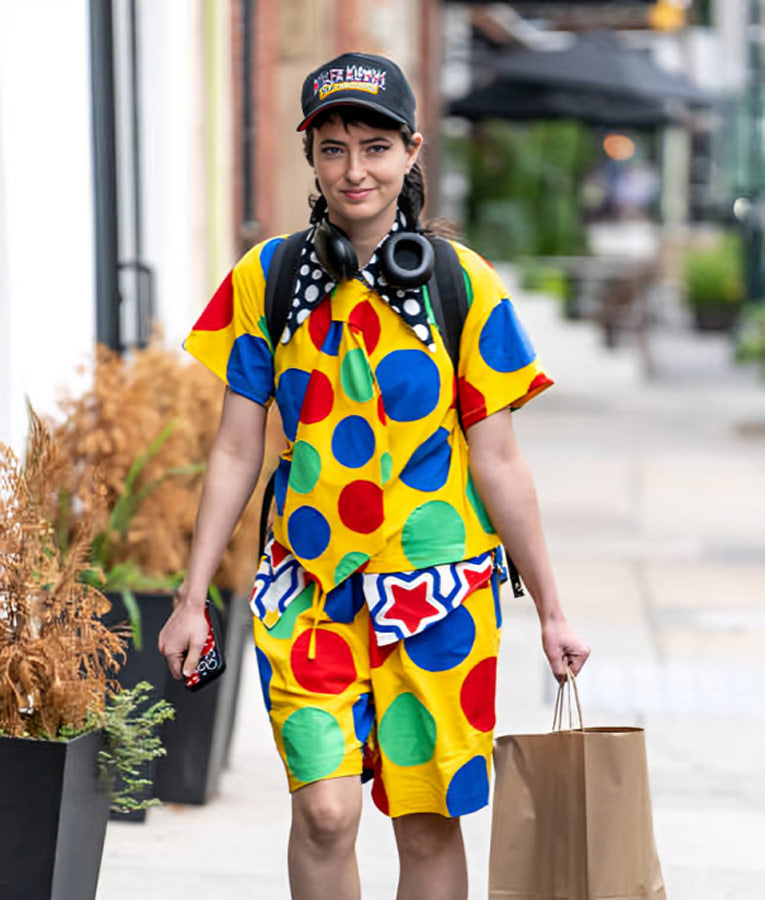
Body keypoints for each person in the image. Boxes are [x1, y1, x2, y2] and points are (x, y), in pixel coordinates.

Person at [159, 51, 590, 900]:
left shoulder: (463, 285)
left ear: (411, 151)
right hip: (307, 588)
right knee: (325, 813)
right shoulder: (267, 279)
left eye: (375, 147)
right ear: (312, 159)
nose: (354, 169)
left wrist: (551, 609)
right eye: (333, 149)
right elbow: (237, 448)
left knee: (426, 823)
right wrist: (191, 596)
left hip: (439, 592)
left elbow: (499, 459)